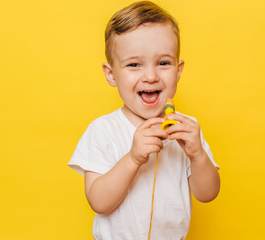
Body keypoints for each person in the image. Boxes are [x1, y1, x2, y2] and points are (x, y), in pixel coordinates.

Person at [68, 1, 220, 239]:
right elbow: (98, 201)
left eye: (163, 63)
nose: (150, 76)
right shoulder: (102, 130)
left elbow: (207, 194)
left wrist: (198, 155)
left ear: (178, 71)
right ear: (111, 74)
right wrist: (133, 158)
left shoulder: (186, 128)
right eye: (134, 65)